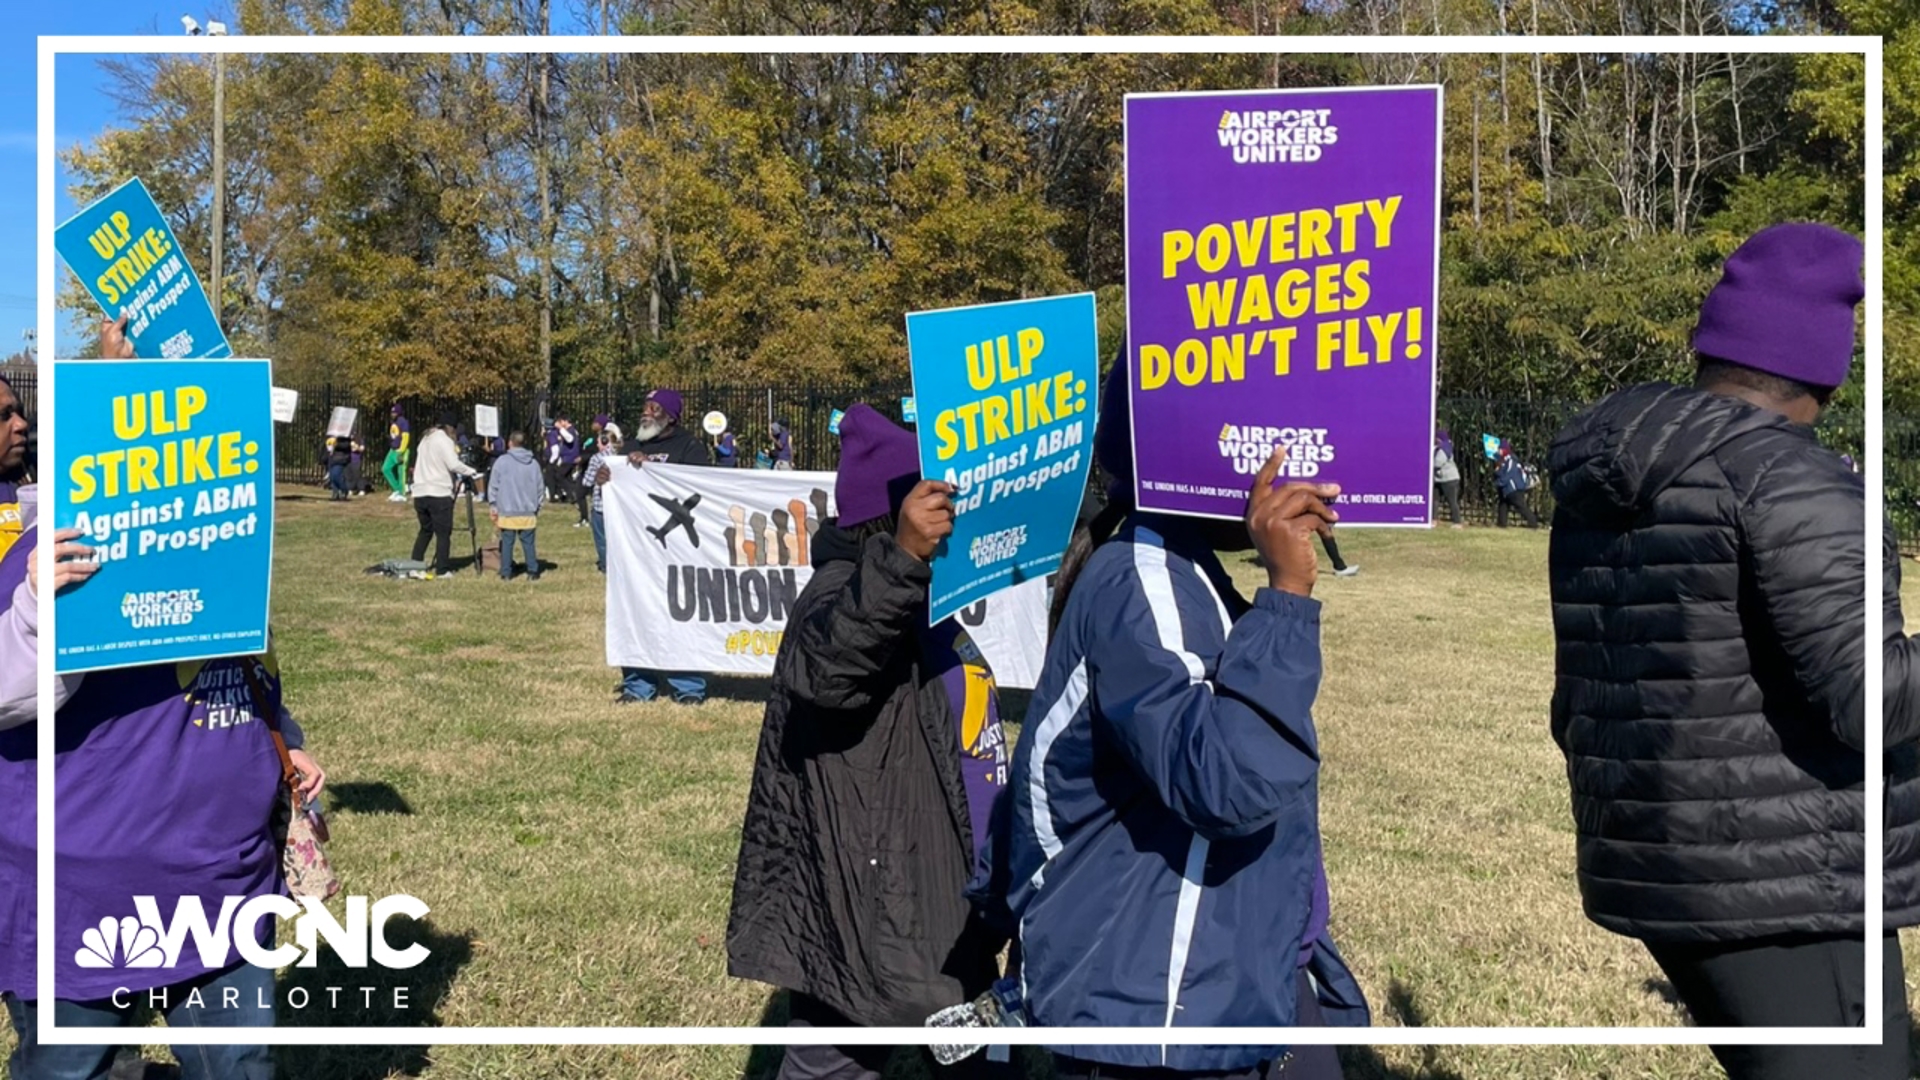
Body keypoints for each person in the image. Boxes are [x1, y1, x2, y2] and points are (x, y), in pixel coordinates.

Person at [1548, 223, 1903, 1078]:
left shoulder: (1615, 472)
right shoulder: (1792, 478)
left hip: (1662, 859)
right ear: (1829, 357)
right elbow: (1872, 697)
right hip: (1787, 883)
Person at [987, 360, 1369, 1079]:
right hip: (1147, 1003)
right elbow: (1226, 780)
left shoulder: (1182, 573)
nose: (1282, 462)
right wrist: (1286, 596)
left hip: (1190, 985)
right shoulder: (1141, 581)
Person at [0, 318, 327, 1080]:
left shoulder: (210, 536)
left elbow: (241, 655)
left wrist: (282, 731)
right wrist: (45, 605)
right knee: (68, 1069)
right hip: (78, 884)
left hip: (221, 871)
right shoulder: (37, 551)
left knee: (239, 1066)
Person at [726, 404, 1009, 1079]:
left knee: (976, 1054)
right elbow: (830, 669)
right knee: (835, 1052)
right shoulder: (841, 592)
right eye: (927, 502)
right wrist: (904, 559)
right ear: (893, 516)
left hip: (944, 888)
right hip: (873, 903)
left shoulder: (919, 596)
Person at [600, 388, 716, 706]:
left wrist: (655, 471)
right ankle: (638, 684)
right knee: (635, 612)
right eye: (645, 407)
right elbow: (617, 491)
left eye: (654, 408)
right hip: (637, 552)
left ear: (671, 416)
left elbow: (703, 491)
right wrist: (607, 478)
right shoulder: (630, 447)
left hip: (678, 552)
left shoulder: (690, 447)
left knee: (683, 616)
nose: (646, 412)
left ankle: (688, 686)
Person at [409, 412, 481, 578]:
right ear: (451, 428)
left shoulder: (425, 439)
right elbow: (453, 464)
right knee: (443, 533)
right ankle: (442, 569)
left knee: (425, 531)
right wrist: (472, 471)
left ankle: (415, 565)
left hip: (420, 491)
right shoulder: (444, 440)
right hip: (438, 492)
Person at [488, 430, 544, 581]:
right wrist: (537, 506)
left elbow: (494, 485)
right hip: (528, 510)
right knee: (528, 543)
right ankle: (532, 570)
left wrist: (493, 505)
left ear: (510, 443)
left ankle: (506, 572)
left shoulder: (502, 461)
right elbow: (540, 488)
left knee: (507, 542)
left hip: (507, 509)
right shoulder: (534, 463)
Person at [583, 424, 625, 574]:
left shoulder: (597, 458)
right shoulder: (622, 456)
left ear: (605, 441)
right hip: (618, 506)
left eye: (599, 441)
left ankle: (606, 566)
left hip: (601, 506)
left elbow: (586, 482)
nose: (596, 444)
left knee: (602, 539)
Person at [1492, 443, 1539, 528]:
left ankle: (1533, 523)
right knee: (1503, 504)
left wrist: (1499, 482)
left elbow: (1508, 474)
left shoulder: (1511, 460)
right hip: (1507, 488)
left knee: (1520, 506)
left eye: (1500, 449)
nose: (1498, 451)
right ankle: (1501, 524)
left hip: (1514, 488)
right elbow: (1499, 472)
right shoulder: (1502, 460)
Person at [1433, 429, 1463, 527]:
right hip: (1439, 479)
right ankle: (1434, 519)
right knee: (1434, 499)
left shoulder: (1443, 449)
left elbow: (1438, 462)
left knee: (1452, 501)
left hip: (1449, 479)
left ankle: (1457, 522)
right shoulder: (1443, 447)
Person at [382, 404, 411, 502]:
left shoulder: (403, 422)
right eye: (392, 412)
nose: (392, 414)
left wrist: (401, 451)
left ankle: (402, 493)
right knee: (385, 468)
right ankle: (396, 489)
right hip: (392, 450)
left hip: (401, 450)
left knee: (401, 471)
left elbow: (406, 437)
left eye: (394, 412)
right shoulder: (393, 422)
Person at [325, 437, 353, 501]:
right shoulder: (333, 435)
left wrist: (336, 444)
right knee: (332, 476)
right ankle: (335, 492)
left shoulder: (345, 436)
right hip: (332, 458)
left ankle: (344, 490)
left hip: (341, 458)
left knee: (336, 474)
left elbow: (346, 445)